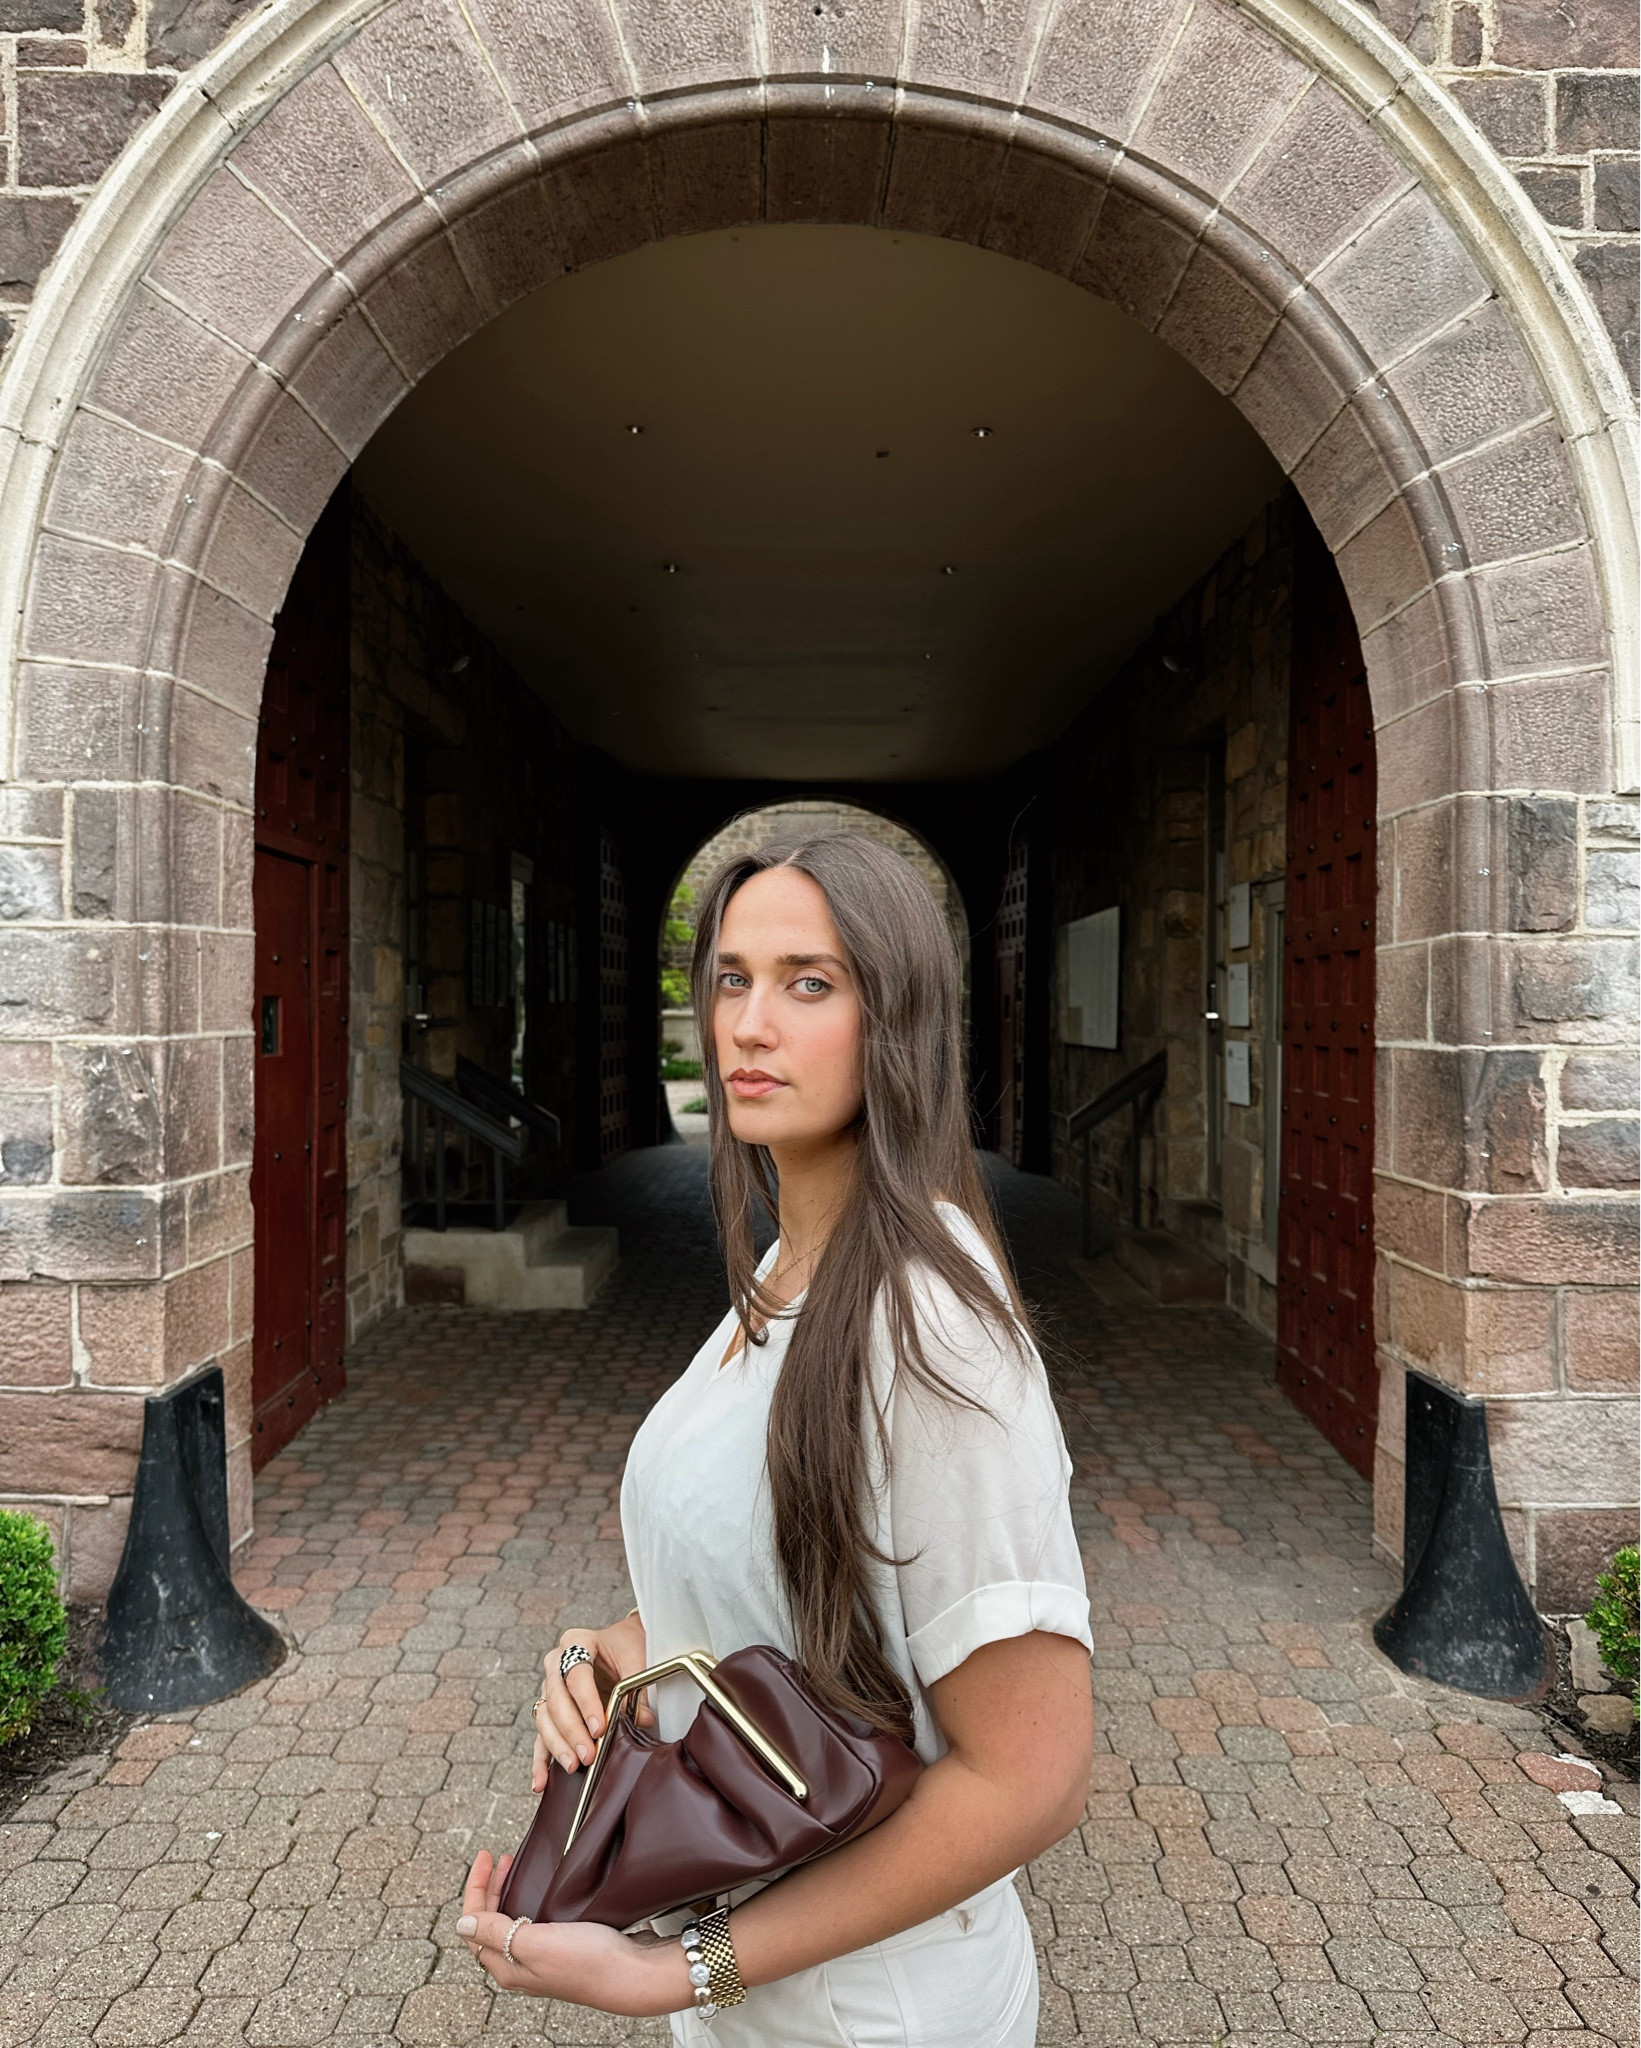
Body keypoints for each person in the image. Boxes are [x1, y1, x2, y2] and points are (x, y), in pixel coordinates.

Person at [457, 832, 1094, 2043]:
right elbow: (784, 1606)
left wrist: (674, 1969)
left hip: (873, 2007)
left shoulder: (931, 1331)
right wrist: (600, 1649)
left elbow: (1031, 1775)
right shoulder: (789, 1264)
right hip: (763, 1987)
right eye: (732, 978)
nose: (750, 1023)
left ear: (896, 1016)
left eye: (811, 981)